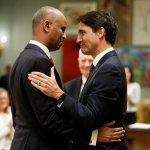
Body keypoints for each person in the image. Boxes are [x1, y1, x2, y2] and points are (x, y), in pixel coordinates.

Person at [10, 6, 125, 150]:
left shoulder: (23, 57)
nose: (69, 37)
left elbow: (15, 112)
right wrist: (91, 137)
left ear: (101, 32)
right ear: (46, 26)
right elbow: (50, 120)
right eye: (63, 29)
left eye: (82, 33)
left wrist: (59, 94)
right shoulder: (38, 61)